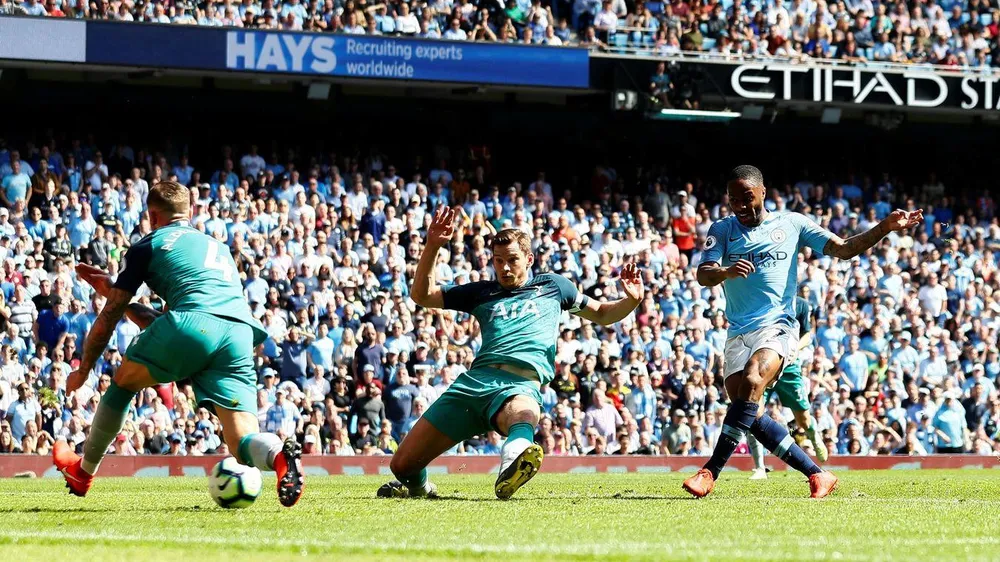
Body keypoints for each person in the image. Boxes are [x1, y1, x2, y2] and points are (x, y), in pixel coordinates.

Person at [52, 181, 304, 507]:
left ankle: (82, 472)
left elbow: (109, 318)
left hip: (193, 323)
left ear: (152, 216)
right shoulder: (218, 247)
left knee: (123, 383)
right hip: (240, 332)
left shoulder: (147, 245)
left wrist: (84, 368)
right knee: (240, 439)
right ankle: (280, 458)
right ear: (191, 212)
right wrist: (116, 293)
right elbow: (181, 318)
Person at [683, 165, 922, 499]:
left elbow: (842, 248)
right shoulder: (723, 229)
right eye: (733, 199)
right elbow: (703, 274)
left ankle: (710, 472)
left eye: (746, 197)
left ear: (763, 192)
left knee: (753, 381)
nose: (739, 205)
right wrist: (725, 271)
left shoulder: (792, 223)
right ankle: (817, 474)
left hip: (777, 325)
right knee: (749, 413)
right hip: (737, 332)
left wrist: (884, 227)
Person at [378, 208, 644, 499]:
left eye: (513, 260)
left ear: (529, 259)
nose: (504, 268)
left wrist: (631, 300)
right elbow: (422, 295)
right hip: (473, 385)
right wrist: (433, 246)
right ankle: (420, 488)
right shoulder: (482, 292)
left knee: (524, 412)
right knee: (402, 465)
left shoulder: (554, 287)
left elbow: (603, 314)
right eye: (498, 261)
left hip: (520, 385)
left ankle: (512, 463)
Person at [747, 295, 829, 480]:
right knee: (752, 411)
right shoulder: (764, 300)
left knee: (803, 420)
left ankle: (814, 436)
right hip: (764, 362)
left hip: (789, 364)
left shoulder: (800, 304)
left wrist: (793, 348)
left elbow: (807, 335)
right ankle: (760, 467)